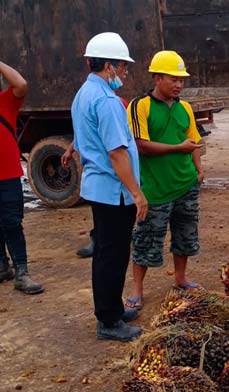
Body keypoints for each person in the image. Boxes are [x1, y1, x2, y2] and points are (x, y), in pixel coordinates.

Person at [71, 32, 147, 342]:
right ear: (108, 67)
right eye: (123, 67)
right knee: (113, 256)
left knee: (106, 251)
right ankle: (108, 320)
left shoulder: (84, 93)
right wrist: (137, 192)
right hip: (114, 191)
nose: (125, 73)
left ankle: (111, 309)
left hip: (99, 188)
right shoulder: (106, 100)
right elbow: (117, 152)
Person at [126, 50, 204, 310]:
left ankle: (180, 278)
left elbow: (193, 142)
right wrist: (176, 149)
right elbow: (140, 145)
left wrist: (198, 170)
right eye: (173, 79)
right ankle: (137, 289)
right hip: (156, 189)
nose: (179, 84)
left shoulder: (185, 108)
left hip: (185, 185)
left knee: (185, 235)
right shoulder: (141, 106)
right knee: (146, 240)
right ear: (157, 78)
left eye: (181, 80)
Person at [62, 86, 130, 259]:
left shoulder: (112, 103)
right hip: (107, 176)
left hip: (110, 176)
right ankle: (97, 239)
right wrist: (70, 150)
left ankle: (100, 241)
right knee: (108, 234)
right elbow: (86, 132)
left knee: (111, 231)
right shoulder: (104, 102)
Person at [0, 61, 44, 294]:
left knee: (11, 223)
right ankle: (2, 267)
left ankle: (22, 272)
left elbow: (21, 84)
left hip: (7, 176)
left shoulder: (5, 102)